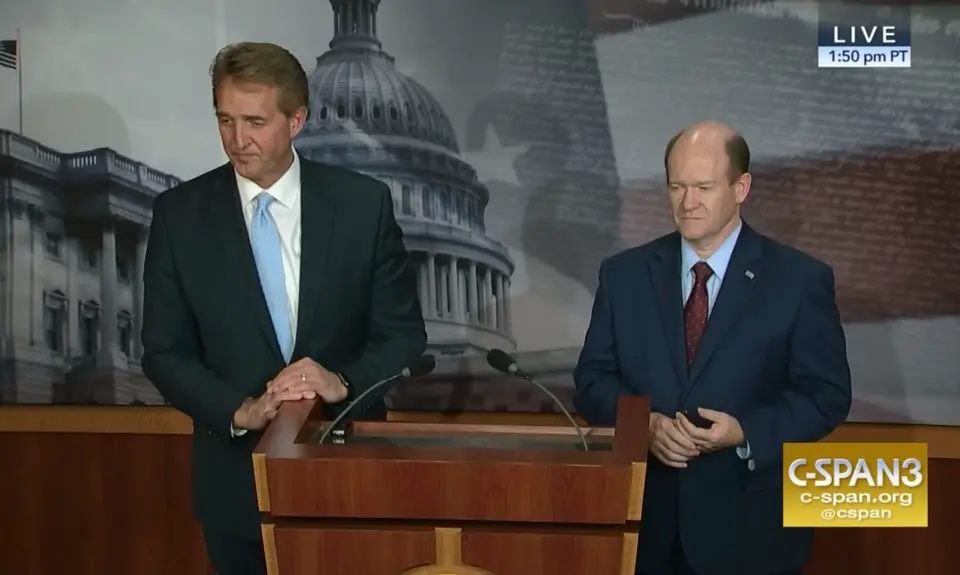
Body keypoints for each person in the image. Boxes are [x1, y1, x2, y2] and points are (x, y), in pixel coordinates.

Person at [141, 42, 426, 575]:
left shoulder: (363, 205)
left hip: (349, 478)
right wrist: (239, 409)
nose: (236, 139)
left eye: (254, 121)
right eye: (224, 120)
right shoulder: (180, 216)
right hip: (235, 490)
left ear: (296, 120)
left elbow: (404, 336)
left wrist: (342, 380)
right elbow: (163, 352)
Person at [573, 121, 852, 575]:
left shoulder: (799, 281)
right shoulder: (623, 275)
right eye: (677, 187)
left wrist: (744, 433)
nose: (688, 202)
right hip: (644, 533)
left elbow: (826, 395)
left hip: (751, 534)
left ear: (741, 187)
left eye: (703, 187)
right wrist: (644, 425)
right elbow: (591, 383)